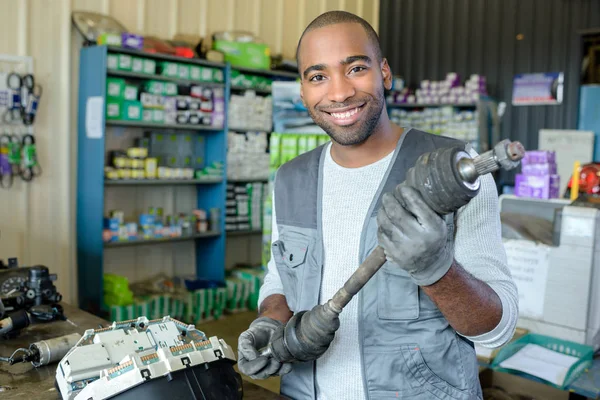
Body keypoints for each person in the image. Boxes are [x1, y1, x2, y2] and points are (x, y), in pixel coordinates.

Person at [237, 10, 518, 400]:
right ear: (303, 92)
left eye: (354, 68)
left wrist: (437, 270)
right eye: (318, 77)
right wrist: (272, 318)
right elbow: (280, 278)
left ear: (384, 72)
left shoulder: (455, 169)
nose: (338, 93)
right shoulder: (290, 179)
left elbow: (497, 328)